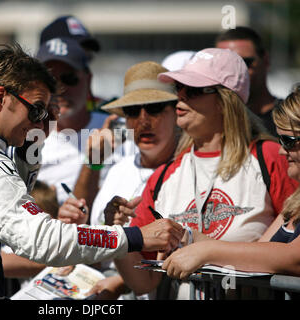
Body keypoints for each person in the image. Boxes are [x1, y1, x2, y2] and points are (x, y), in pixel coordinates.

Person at [0, 43, 184, 300]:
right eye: (36, 110)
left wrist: (30, 143)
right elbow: (44, 241)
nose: (42, 120)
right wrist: (136, 236)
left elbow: (1, 202)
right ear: (0, 98)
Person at [111, 48, 297, 298]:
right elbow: (144, 282)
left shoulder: (272, 157)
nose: (180, 98)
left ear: (225, 100)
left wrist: (205, 251)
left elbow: (289, 255)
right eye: (178, 88)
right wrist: (116, 230)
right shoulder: (164, 175)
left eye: (194, 90)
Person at [162, 87, 300, 280]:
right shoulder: (296, 201)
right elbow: (260, 253)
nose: (282, 151)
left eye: (289, 141)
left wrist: (208, 251)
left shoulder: (265, 156)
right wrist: (189, 238)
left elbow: (295, 258)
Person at [75, 61, 180, 300]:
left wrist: (121, 283)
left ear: (176, 112)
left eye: (154, 107)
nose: (143, 120)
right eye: (133, 111)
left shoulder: (188, 171)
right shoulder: (118, 167)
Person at [35, 37, 110, 206]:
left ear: (88, 80)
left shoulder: (116, 129)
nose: (60, 89)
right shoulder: (22, 137)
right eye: (51, 80)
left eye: (70, 78)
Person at [216, 26, 280, 137]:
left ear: (265, 60)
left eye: (244, 62)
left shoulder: (291, 118)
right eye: (225, 65)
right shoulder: (210, 121)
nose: (235, 71)